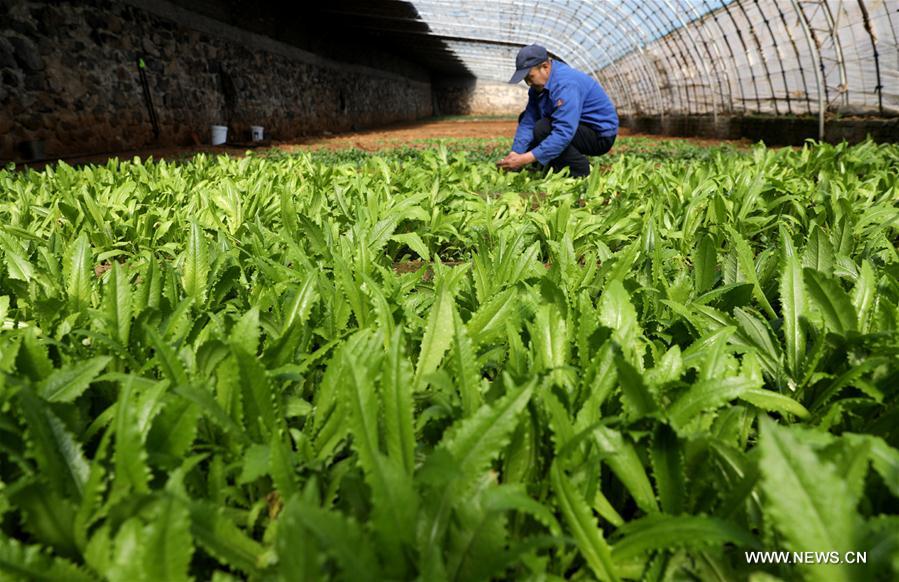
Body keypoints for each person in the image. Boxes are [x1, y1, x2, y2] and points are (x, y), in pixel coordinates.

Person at [497, 44, 618, 178]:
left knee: (543, 127)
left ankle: (579, 171)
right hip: (577, 128)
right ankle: (546, 166)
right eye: (525, 79)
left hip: (599, 136)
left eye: (530, 77)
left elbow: (564, 131)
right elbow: (528, 121)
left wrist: (525, 159)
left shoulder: (565, 84)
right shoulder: (537, 88)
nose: (529, 83)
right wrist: (516, 152)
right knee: (526, 118)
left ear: (545, 67)